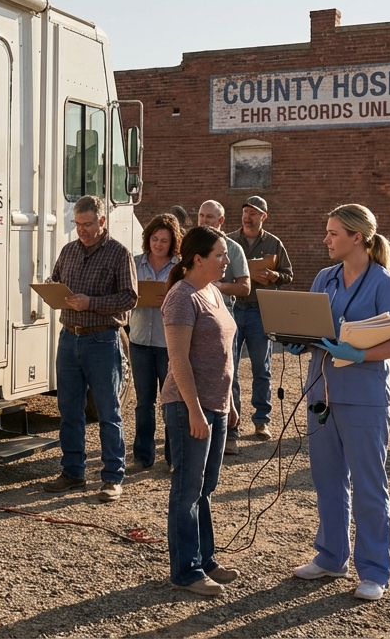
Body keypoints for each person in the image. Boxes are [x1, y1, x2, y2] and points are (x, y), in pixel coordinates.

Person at [286, 204, 390, 602]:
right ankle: (331, 557)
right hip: (322, 393)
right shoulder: (326, 278)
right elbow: (312, 327)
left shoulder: (384, 282)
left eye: (333, 233)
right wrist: (297, 339)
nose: (326, 239)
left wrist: (357, 354)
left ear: (357, 238)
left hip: (364, 399)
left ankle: (374, 570)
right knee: (327, 480)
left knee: (369, 486)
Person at [160, 225, 240, 596]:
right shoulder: (181, 296)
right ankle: (186, 571)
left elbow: (224, 352)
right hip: (188, 406)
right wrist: (194, 410)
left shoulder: (213, 291)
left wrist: (230, 402)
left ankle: (205, 560)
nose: (226, 261)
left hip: (217, 405)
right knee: (187, 489)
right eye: (220, 255)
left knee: (206, 487)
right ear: (198, 259)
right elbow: (178, 359)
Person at [43, 195, 138, 501]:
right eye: (77, 224)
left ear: (102, 221)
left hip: (102, 340)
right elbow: (56, 279)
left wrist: (91, 303)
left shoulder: (119, 253)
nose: (81, 230)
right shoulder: (68, 251)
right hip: (69, 338)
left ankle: (112, 477)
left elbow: (130, 298)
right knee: (69, 410)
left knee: (108, 412)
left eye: (86, 224)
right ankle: (73, 473)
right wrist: (50, 289)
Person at [227, 195, 293, 446]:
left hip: (259, 311)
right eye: (245, 212)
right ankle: (231, 424)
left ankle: (261, 419)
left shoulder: (274, 243)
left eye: (253, 213)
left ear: (263, 217)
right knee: (230, 369)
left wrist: (274, 275)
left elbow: (288, 274)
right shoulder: (229, 241)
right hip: (233, 309)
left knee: (261, 368)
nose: (248, 217)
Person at [194, 201, 251, 438]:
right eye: (201, 215)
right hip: (194, 316)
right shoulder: (190, 246)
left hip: (221, 317)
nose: (204, 220)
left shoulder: (233, 249)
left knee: (228, 374)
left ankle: (230, 433)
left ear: (221, 221)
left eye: (209, 217)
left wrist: (217, 286)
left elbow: (245, 287)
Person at [129, 213, 182, 468]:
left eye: (164, 240)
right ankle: (142, 456)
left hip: (168, 343)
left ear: (172, 243)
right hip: (139, 340)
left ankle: (173, 457)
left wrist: (170, 300)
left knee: (171, 401)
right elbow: (123, 293)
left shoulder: (179, 268)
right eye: (154, 238)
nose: (158, 244)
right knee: (144, 402)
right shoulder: (134, 263)